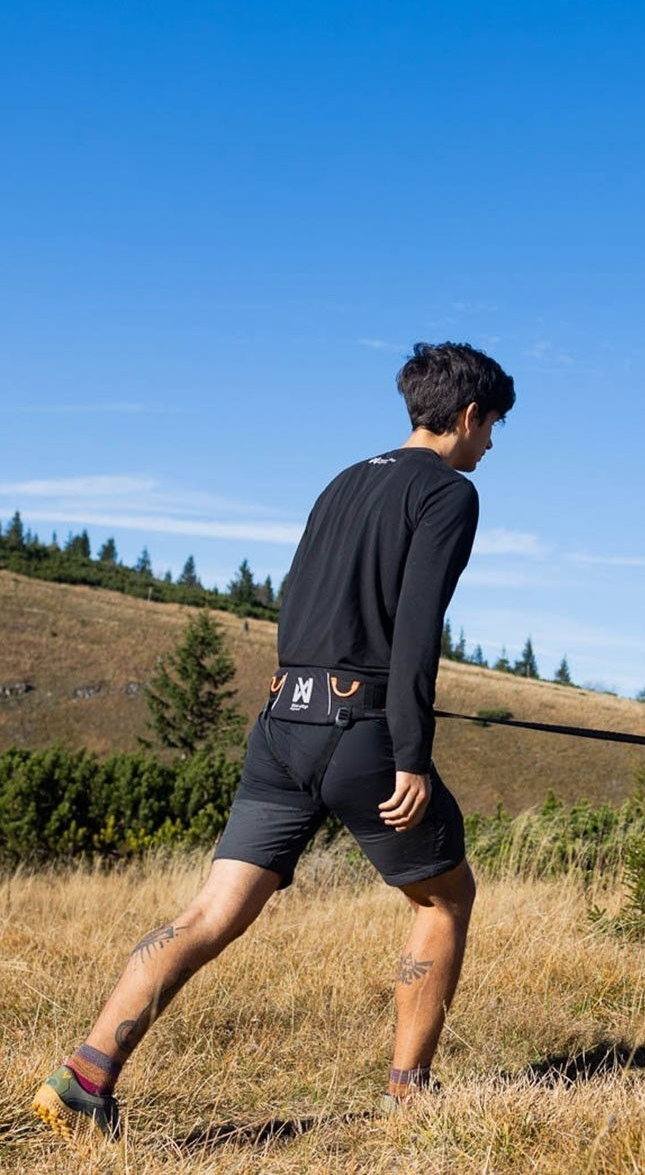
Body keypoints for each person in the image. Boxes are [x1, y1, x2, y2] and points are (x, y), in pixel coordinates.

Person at [32, 341, 515, 1141]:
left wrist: (299, 686)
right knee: (445, 896)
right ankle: (409, 1095)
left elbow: (301, 599)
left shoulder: (342, 481)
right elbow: (417, 631)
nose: (492, 444)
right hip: (361, 736)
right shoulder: (449, 493)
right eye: (494, 425)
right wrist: (411, 756)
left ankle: (85, 1079)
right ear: (468, 415)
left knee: (208, 914)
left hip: (282, 724)